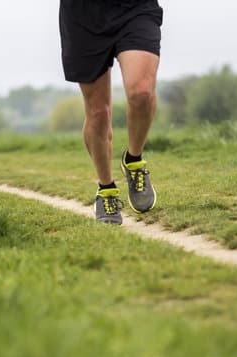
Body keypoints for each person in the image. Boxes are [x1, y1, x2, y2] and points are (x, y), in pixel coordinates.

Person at [59, 0, 163, 224]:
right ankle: (106, 189)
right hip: (82, 16)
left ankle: (133, 160)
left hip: (135, 9)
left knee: (142, 93)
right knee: (98, 112)